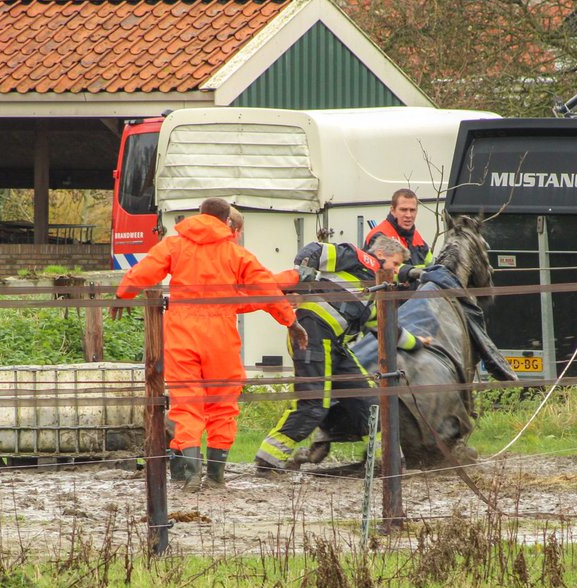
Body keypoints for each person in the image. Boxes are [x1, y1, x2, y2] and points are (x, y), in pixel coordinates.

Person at [113, 197, 308, 491]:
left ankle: (191, 474)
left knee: (186, 403)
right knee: (222, 406)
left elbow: (145, 270)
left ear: (199, 215)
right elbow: (266, 288)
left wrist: (122, 294)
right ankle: (216, 477)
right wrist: (290, 320)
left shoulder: (174, 245)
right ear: (226, 220)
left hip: (181, 332)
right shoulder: (236, 253)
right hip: (220, 335)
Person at [254, 236, 428, 473]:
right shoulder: (359, 258)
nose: (397, 272)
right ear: (381, 255)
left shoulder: (374, 297)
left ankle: (385, 463)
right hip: (312, 333)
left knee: (369, 402)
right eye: (395, 265)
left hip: (334, 345)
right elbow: (314, 249)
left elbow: (388, 331)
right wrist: (302, 275)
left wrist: (418, 343)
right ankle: (269, 460)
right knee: (314, 404)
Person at [364, 188, 433, 268]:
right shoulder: (379, 236)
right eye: (403, 210)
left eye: (412, 210)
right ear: (393, 210)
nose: (408, 215)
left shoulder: (417, 239)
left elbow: (432, 265)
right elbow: (384, 270)